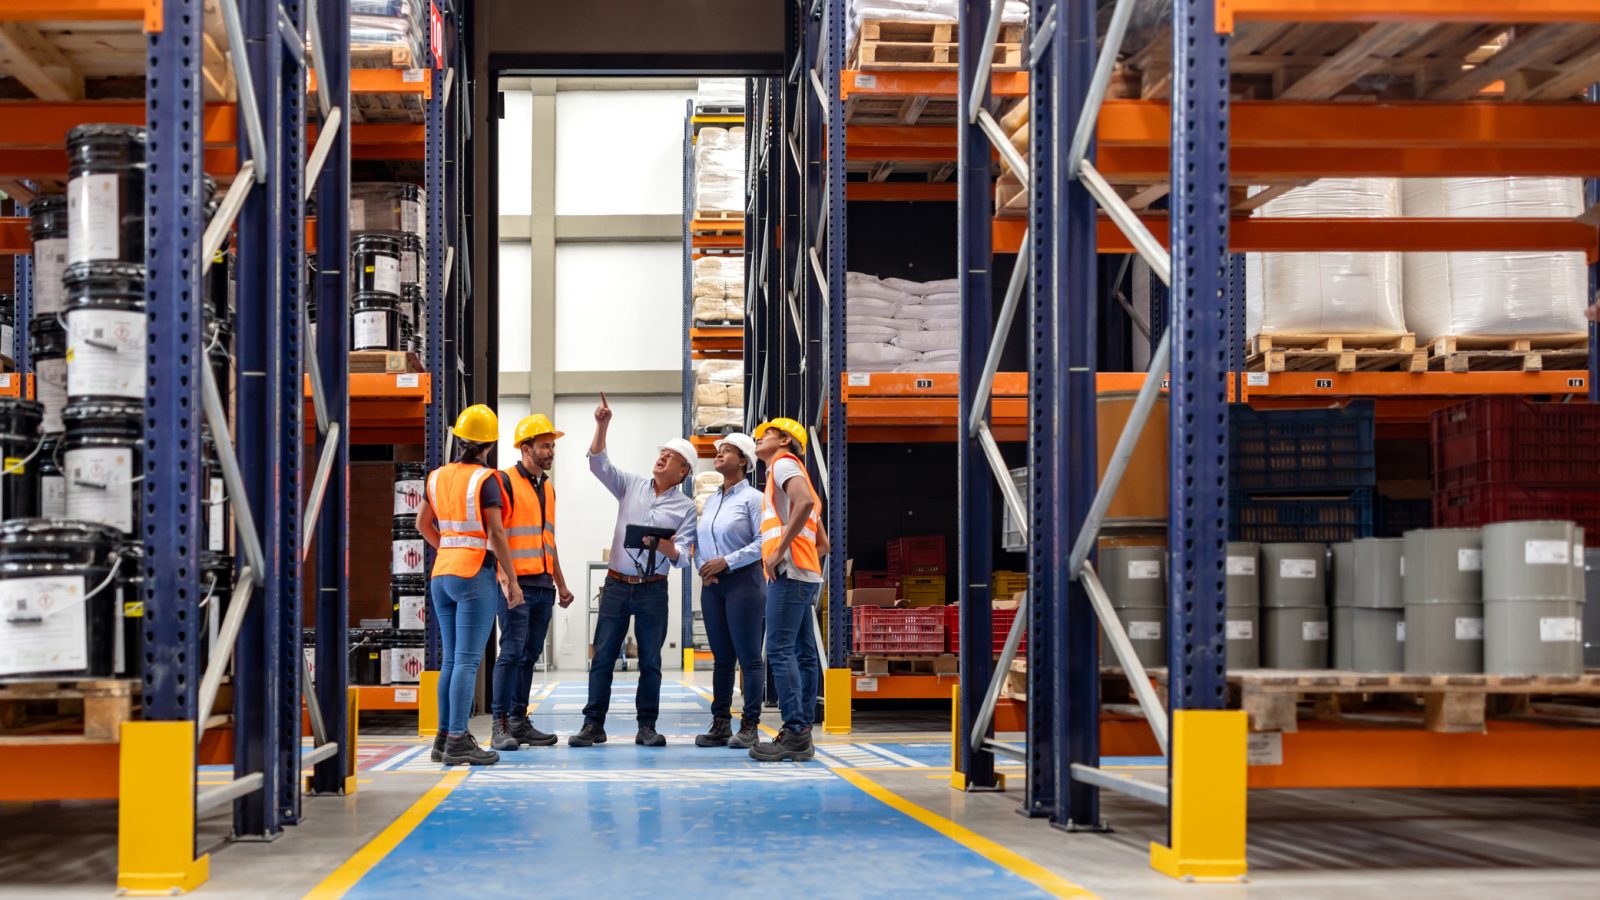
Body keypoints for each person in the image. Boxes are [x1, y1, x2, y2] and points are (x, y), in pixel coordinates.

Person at [571, 392, 699, 748]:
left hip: (653, 589)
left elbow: (683, 556)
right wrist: (602, 425)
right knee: (603, 657)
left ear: (683, 471)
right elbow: (598, 464)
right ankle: (593, 725)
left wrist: (663, 545)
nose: (662, 457)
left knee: (651, 661)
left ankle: (647, 727)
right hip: (616, 585)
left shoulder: (686, 508)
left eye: (671, 457)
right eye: (662, 453)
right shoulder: (630, 485)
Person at [415, 404, 521, 766]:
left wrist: (448, 548)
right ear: (490, 444)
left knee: (450, 660)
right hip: (474, 574)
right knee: (467, 661)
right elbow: (496, 533)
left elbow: (422, 524)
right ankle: (459, 739)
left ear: (459, 439)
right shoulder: (486, 479)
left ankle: (444, 738)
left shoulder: (437, 476)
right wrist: (512, 578)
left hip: (441, 575)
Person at [489, 414, 575, 752]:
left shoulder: (548, 489)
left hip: (542, 586)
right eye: (545, 446)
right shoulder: (505, 482)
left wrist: (561, 584)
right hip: (516, 585)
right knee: (511, 653)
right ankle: (500, 724)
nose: (551, 451)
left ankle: (519, 721)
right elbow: (496, 535)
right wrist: (507, 581)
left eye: (552, 446)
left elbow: (548, 542)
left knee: (529, 656)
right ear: (526, 449)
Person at [748, 417, 829, 762]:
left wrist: (780, 552)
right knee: (804, 653)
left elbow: (805, 503)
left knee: (780, 650)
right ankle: (802, 730)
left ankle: (795, 731)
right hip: (804, 573)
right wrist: (797, 553)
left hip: (789, 573)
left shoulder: (782, 464)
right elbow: (823, 543)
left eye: (765, 434)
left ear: (783, 440)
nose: (758, 439)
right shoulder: (794, 472)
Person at [692, 432, 765, 749]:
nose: (719, 454)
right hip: (713, 585)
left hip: (743, 582)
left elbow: (763, 542)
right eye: (718, 451)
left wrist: (727, 562)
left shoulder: (754, 499)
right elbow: (699, 543)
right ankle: (720, 723)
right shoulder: (711, 501)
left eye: (727, 450)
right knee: (722, 659)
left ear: (744, 461)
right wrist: (703, 567)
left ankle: (750, 726)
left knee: (749, 658)